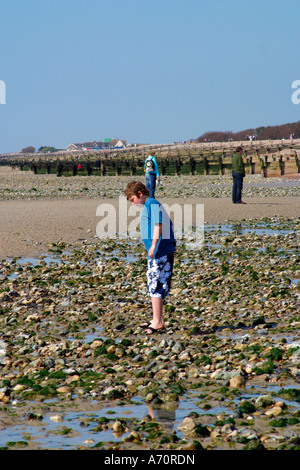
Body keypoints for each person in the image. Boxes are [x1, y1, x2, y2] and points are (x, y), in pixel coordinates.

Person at [125, 181, 176, 334]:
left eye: (133, 200)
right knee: (153, 283)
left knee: (157, 285)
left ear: (139, 194)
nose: (134, 204)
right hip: (160, 251)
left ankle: (158, 321)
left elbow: (159, 224)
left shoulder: (152, 203)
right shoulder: (150, 204)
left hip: (160, 251)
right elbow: (169, 223)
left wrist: (154, 245)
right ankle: (155, 319)